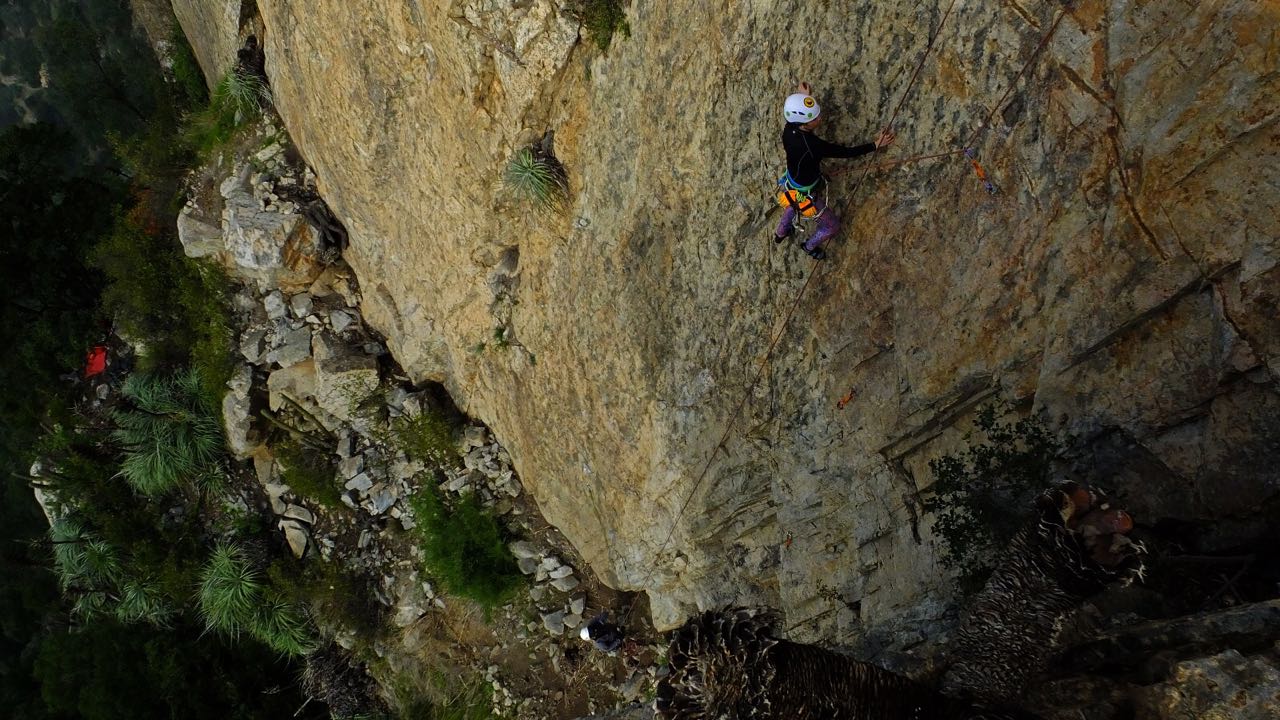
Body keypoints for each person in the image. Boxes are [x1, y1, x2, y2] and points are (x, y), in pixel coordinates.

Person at [776, 81, 895, 260]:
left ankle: (781, 232)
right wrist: (875, 145)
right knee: (832, 227)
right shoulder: (813, 145)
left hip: (790, 182)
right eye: (814, 118)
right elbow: (845, 153)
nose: (820, 119)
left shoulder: (789, 128)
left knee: (793, 205)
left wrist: (803, 98)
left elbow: (795, 113)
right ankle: (809, 246)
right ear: (804, 123)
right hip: (807, 192)